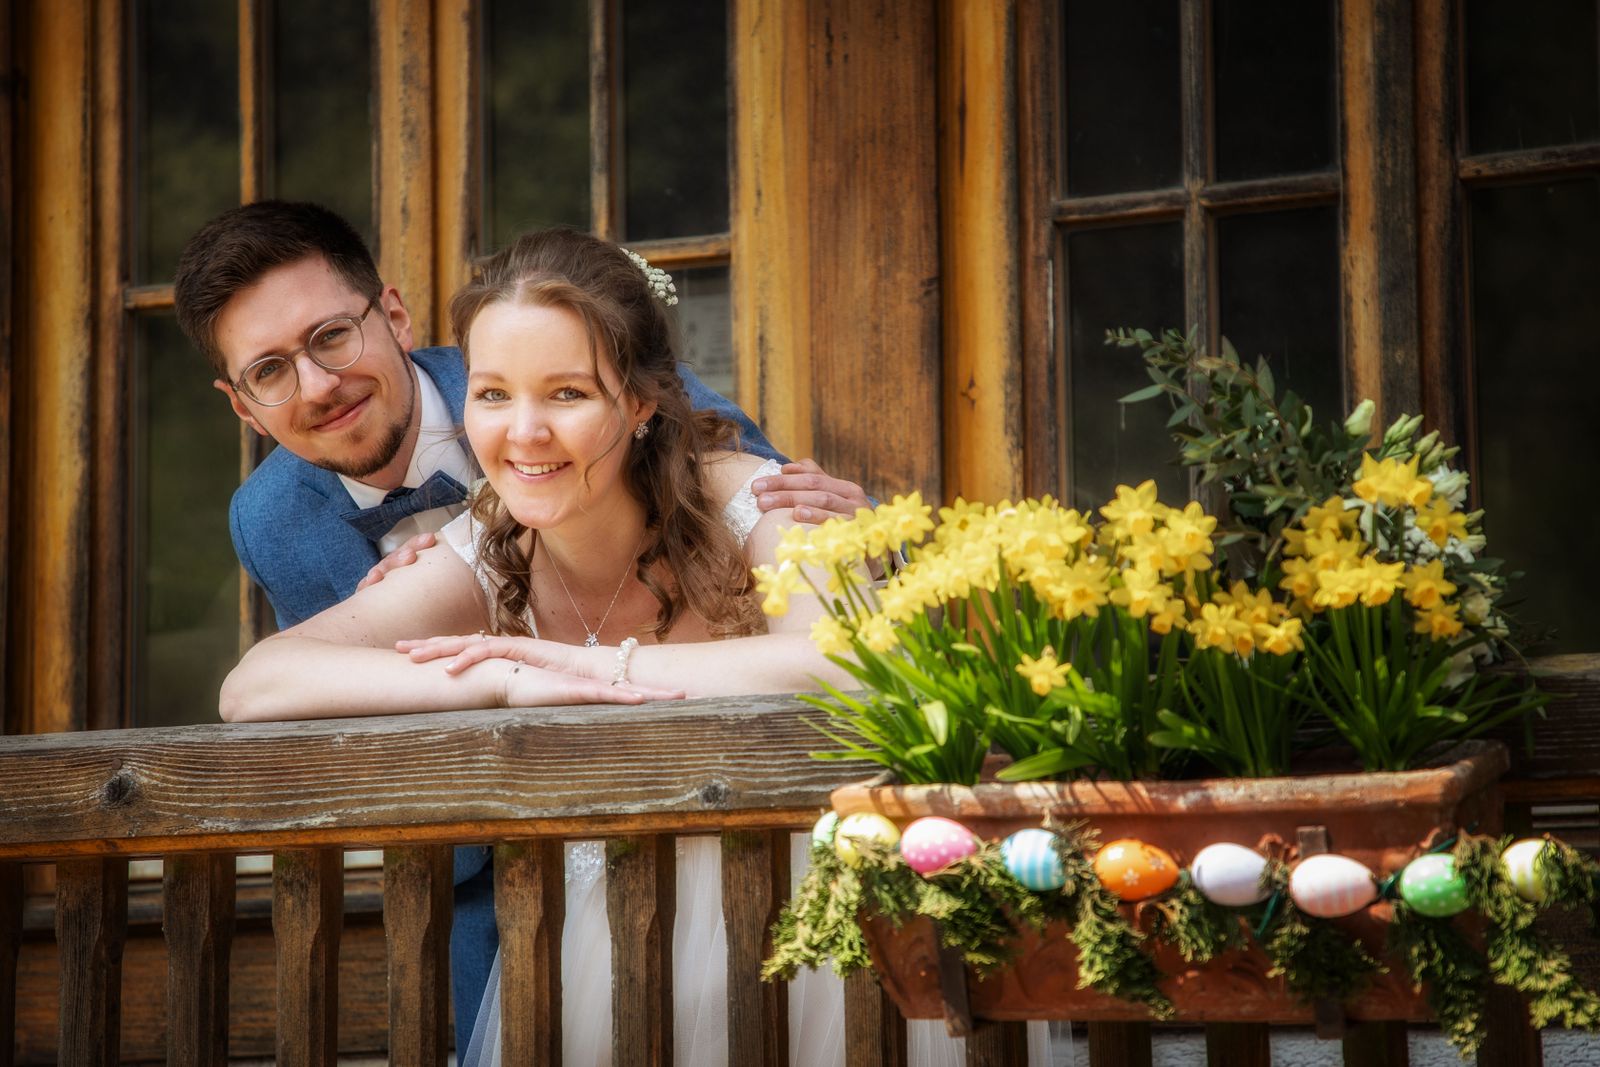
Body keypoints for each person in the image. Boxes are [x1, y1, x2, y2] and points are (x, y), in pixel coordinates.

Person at [172, 201, 874, 1054]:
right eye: (271, 370)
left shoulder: (585, 350)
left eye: (329, 338)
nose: (318, 385)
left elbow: (782, 533)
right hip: (513, 871)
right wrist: (499, 674)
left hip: (782, 879)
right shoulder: (285, 520)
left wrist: (860, 540)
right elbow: (269, 687)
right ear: (242, 403)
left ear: (391, 314)